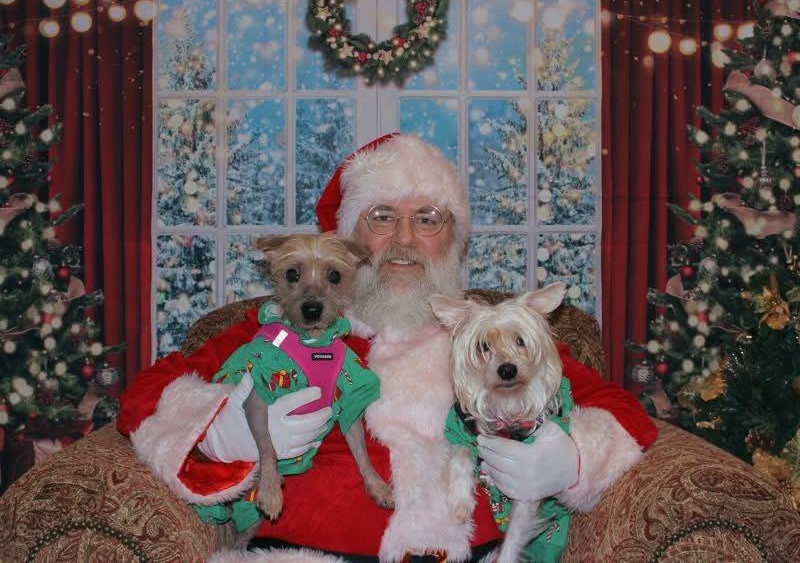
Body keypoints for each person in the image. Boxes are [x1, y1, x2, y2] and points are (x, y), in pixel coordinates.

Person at [120, 133, 657, 561]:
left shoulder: (494, 337)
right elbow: (148, 394)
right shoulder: (284, 328)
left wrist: (572, 459)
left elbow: (622, 409)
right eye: (381, 217)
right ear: (347, 239)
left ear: (454, 240)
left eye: (427, 219)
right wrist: (223, 431)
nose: (403, 239)